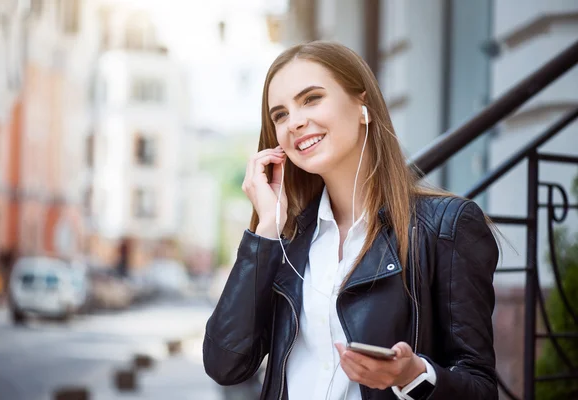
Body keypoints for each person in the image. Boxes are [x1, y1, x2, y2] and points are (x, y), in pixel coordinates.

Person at [203, 41, 499, 400]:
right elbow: (225, 364)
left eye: (311, 99)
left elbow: (480, 387)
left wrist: (413, 375)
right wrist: (266, 230)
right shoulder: (287, 239)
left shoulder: (446, 228)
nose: (294, 121)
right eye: (280, 114)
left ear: (363, 106)